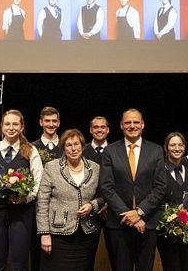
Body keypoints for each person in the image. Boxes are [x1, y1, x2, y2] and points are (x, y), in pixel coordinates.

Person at [0, 109, 44, 271]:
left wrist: (25, 198)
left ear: (21, 127)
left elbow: (38, 181)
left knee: (19, 264)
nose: (11, 127)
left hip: (21, 213)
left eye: (15, 124)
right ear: (1, 126)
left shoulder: (30, 150)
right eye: (7, 124)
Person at [99, 108, 167, 271]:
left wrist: (140, 213)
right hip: (119, 224)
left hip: (147, 222)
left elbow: (160, 186)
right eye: (128, 122)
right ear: (121, 125)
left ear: (142, 124)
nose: (132, 125)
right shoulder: (110, 151)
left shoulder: (156, 150)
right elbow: (107, 187)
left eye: (136, 122)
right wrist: (128, 214)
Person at [38, 129, 105, 271]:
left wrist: (92, 205)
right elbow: (42, 202)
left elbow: (104, 197)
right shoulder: (51, 167)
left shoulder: (95, 168)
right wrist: (44, 234)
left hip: (85, 233)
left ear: (82, 145)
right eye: (69, 145)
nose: (73, 148)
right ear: (63, 148)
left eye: (76, 144)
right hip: (58, 233)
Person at [157, 132, 188, 271]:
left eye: (180, 145)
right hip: (166, 230)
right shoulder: (158, 170)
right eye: (173, 145)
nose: (177, 148)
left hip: (186, 229)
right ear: (166, 148)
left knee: (187, 266)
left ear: (185, 147)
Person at [82, 116, 114, 271]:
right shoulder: (82, 150)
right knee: (86, 257)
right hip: (89, 210)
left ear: (108, 130)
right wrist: (94, 204)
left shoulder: (116, 151)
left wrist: (108, 203)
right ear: (90, 130)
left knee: (116, 256)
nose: (99, 130)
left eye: (103, 127)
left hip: (112, 210)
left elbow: (121, 180)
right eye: (96, 127)